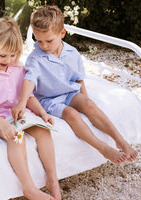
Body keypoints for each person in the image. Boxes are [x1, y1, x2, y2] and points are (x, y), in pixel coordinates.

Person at [12, 5, 138, 164]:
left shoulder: (72, 53)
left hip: (69, 93)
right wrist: (22, 103)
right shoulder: (35, 58)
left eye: (49, 40)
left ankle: (120, 141)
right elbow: (29, 80)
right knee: (71, 114)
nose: (44, 46)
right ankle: (103, 148)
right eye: (39, 41)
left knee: (89, 103)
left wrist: (86, 102)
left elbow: (79, 80)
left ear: (62, 33)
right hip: (49, 99)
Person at [0, 16, 61, 200]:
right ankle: (29, 188)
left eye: (14, 55)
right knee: (17, 137)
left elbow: (28, 97)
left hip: (15, 112)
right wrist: (3, 126)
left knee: (44, 132)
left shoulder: (17, 68)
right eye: (3, 55)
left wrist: (42, 113)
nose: (9, 60)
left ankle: (53, 179)